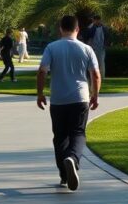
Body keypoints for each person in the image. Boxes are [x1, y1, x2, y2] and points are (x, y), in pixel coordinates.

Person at [36, 15, 101, 191]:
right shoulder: (86, 49)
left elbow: (42, 71)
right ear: (77, 29)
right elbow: (95, 74)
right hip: (80, 98)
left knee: (60, 136)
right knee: (78, 133)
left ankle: (64, 175)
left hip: (58, 100)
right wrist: (95, 94)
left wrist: (40, 93)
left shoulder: (51, 47)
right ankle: (72, 158)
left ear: (60, 29)